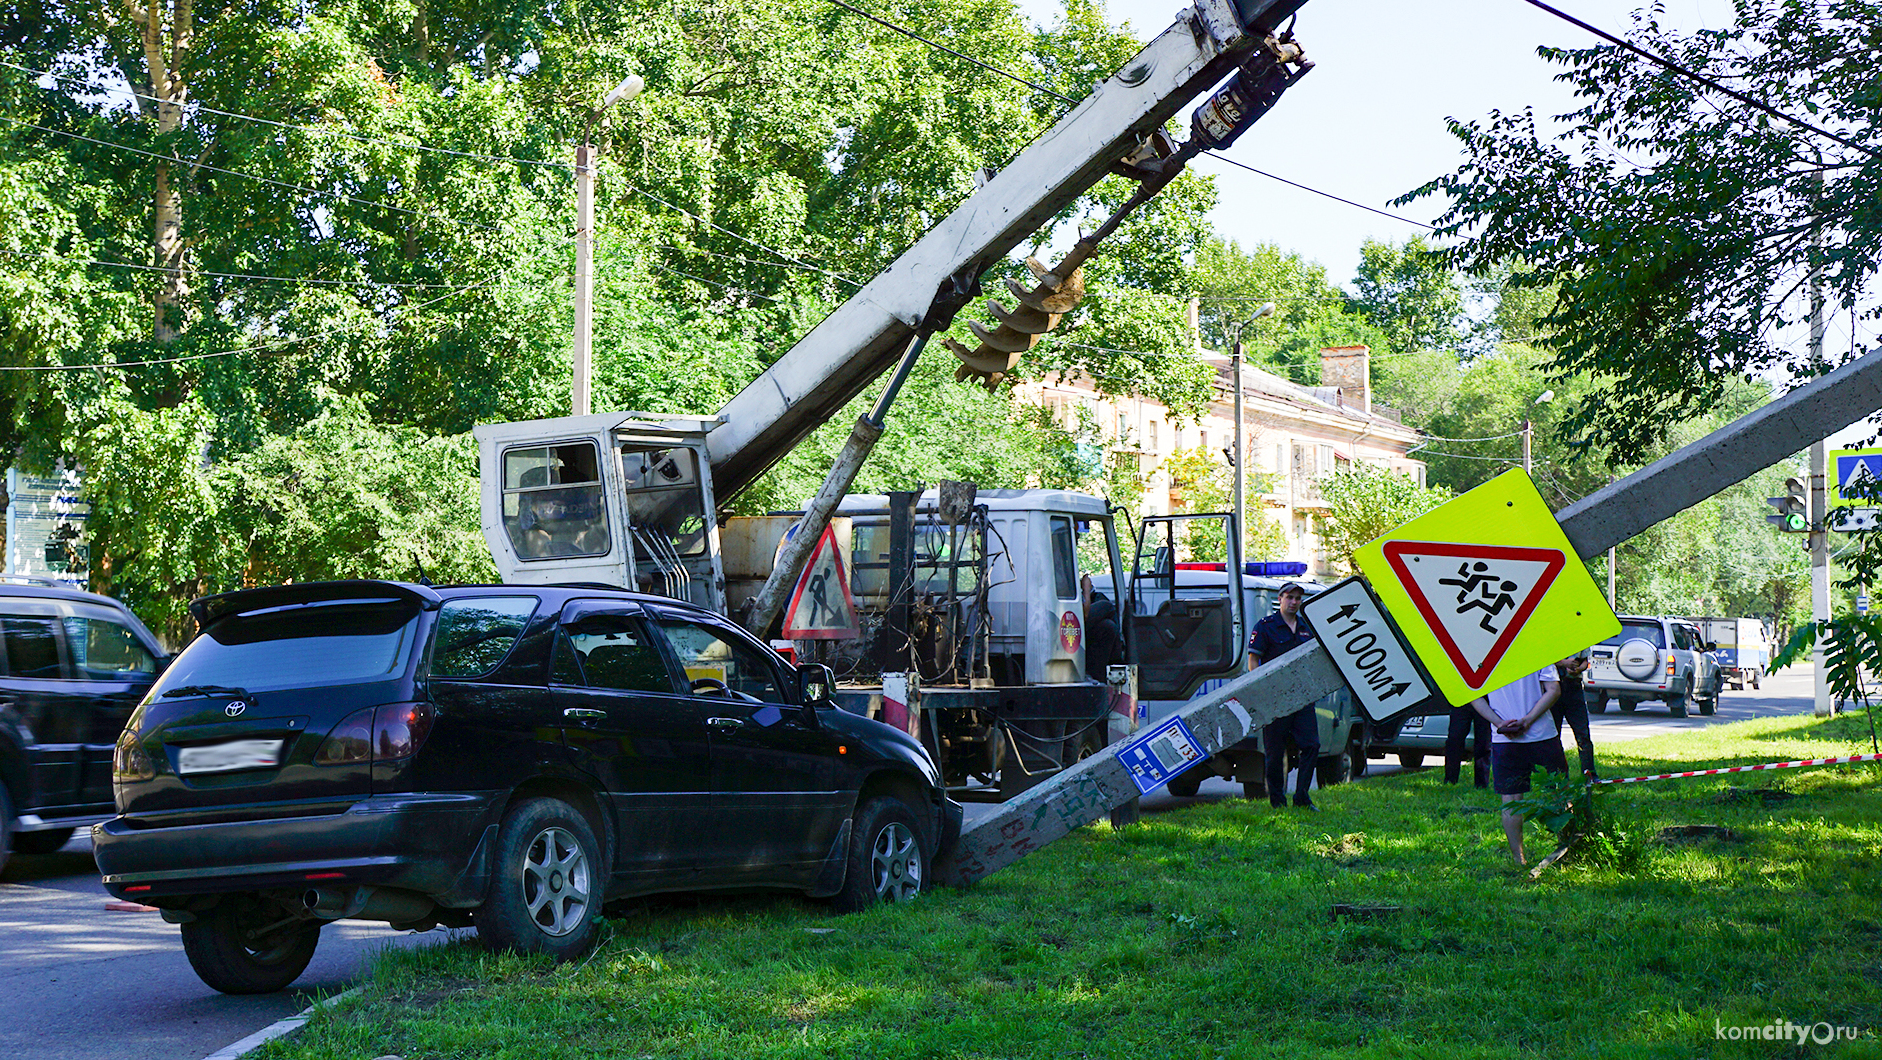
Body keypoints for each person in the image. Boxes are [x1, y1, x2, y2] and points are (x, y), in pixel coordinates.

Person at [1474, 663, 1566, 865]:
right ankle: (1567, 849)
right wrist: (1528, 720)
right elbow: (1553, 690)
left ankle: (1519, 859)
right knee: (1560, 794)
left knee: (1511, 801)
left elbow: (1474, 696)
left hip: (1505, 739)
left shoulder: (1485, 658)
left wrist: (1499, 723)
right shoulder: (1538, 651)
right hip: (1543, 735)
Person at [1249, 581, 1319, 811]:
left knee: (1311, 745)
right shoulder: (1266, 626)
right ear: (1280, 599)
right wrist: (1262, 689)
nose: (1294, 602)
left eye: (1298, 598)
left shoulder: (1307, 627)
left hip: (1302, 697)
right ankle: (1277, 801)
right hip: (1275, 698)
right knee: (1275, 752)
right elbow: (1253, 661)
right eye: (1289, 597)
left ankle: (1301, 797)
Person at [1552, 651, 1598, 779]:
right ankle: (1558, 774)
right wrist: (1563, 663)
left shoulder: (1578, 636)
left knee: (1583, 733)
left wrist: (1579, 668)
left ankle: (1589, 773)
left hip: (1574, 687)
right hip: (1554, 687)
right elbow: (1542, 659)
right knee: (1554, 735)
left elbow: (1585, 660)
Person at [1080, 573, 1122, 682]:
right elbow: (1085, 614)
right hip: (1070, 624)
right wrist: (1086, 590)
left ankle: (1096, 675)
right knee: (1106, 606)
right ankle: (1119, 659)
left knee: (1109, 626)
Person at [1442, 699, 1493, 788]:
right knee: (1454, 740)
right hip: (1463, 698)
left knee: (1483, 743)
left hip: (1484, 698)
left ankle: (1481, 783)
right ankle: (1450, 779)